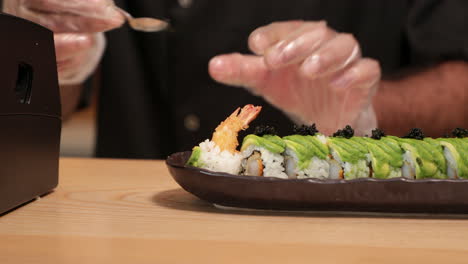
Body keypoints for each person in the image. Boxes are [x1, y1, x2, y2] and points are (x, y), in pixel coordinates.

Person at [3, 0, 467, 159]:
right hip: (134, 221)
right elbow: (59, 98)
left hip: (352, 217)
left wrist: (367, 110)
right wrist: (44, 49)